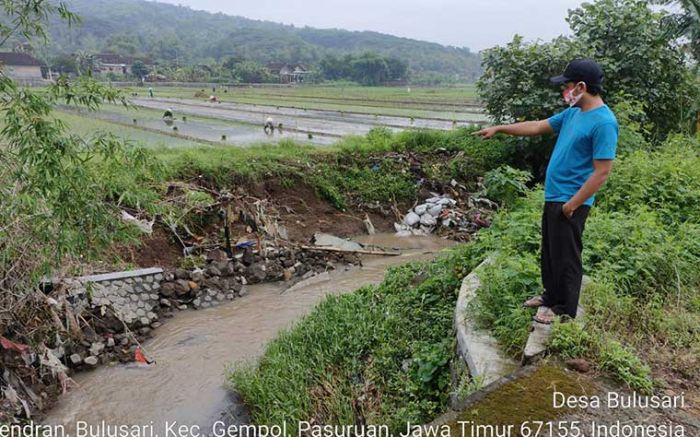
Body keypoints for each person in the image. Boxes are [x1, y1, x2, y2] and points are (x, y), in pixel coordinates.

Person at [474, 59, 619, 324]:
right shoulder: (574, 114)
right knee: (551, 251)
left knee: (567, 255)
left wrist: (572, 204)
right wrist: (500, 128)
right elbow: (537, 126)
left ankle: (563, 308)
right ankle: (550, 296)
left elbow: (602, 172)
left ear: (582, 86)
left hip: (571, 200)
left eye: (567, 86)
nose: (565, 91)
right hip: (555, 195)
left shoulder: (604, 123)